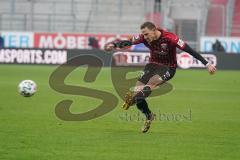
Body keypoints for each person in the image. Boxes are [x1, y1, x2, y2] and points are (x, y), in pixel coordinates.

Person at [104, 22, 216, 133]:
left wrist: (207, 64)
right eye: (144, 34)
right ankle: (148, 116)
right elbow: (128, 42)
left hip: (168, 67)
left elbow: (190, 50)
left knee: (151, 84)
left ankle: (131, 101)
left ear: (154, 30)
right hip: (152, 65)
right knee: (138, 91)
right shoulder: (144, 37)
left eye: (147, 34)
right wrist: (113, 45)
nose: (145, 37)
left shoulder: (170, 38)